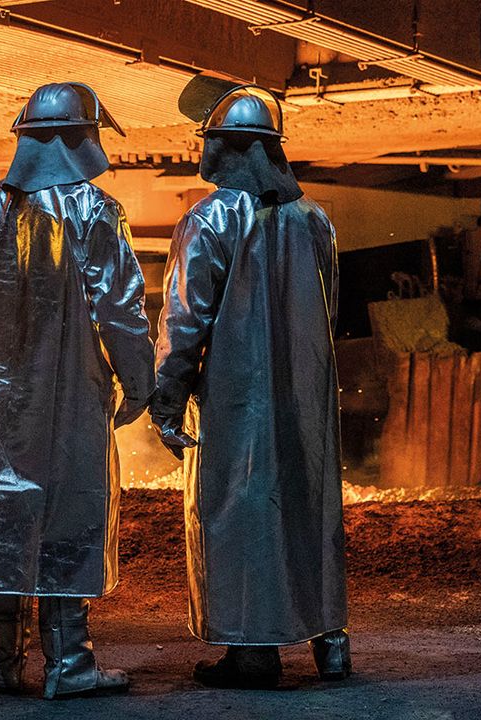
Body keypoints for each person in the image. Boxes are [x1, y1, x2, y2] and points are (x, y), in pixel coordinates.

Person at [0, 82, 155, 700]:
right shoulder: (94, 210)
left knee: (6, 515)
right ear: (80, 140)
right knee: (66, 514)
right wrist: (141, 383)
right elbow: (120, 307)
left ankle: (4, 665)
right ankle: (70, 666)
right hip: (68, 393)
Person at [151, 81, 351, 689]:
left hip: (238, 399)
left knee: (243, 511)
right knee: (309, 504)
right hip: (307, 391)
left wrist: (165, 396)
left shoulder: (210, 218)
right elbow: (330, 310)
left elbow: (185, 320)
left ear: (226, 147)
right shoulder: (315, 220)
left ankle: (253, 652)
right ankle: (330, 641)